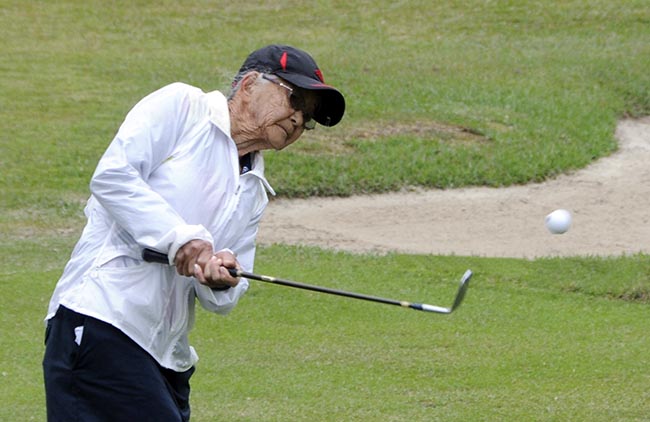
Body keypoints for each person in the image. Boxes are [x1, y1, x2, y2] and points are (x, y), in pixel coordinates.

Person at [42, 44, 345, 421]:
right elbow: (113, 176)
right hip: (102, 319)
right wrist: (181, 238)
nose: (299, 118)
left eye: (310, 116)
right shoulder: (183, 106)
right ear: (249, 84)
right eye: (294, 98)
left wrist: (222, 277)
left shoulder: (254, 187)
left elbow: (224, 300)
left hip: (167, 356)